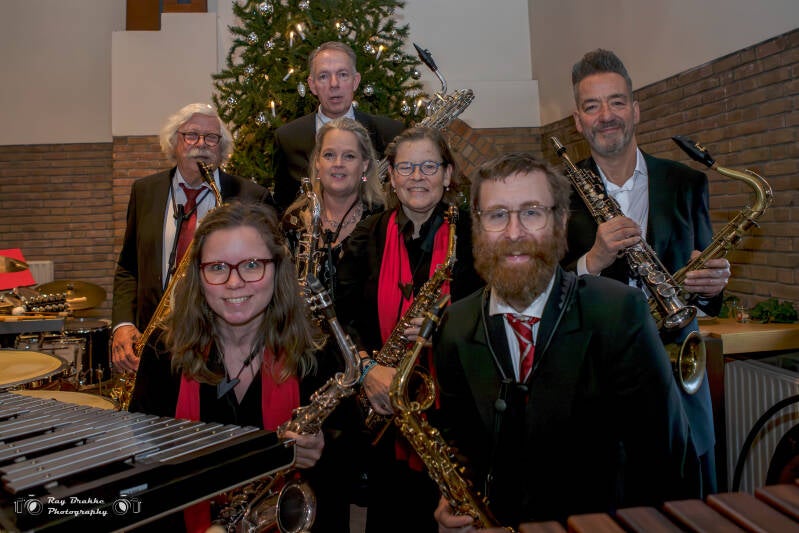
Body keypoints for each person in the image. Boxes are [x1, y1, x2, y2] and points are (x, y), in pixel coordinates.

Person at [433, 153, 700, 530]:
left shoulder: (618, 313)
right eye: (497, 215)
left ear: (560, 221)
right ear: (477, 228)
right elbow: (460, 443)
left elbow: (667, 461)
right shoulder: (455, 325)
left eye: (532, 212)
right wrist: (454, 495)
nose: (514, 233)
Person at [562, 49, 731, 495]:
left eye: (617, 102)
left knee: (688, 507)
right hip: (597, 380)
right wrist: (592, 259)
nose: (607, 116)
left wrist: (714, 281)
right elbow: (542, 291)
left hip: (678, 377)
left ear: (635, 110)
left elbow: (708, 292)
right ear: (577, 121)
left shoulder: (687, 183)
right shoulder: (556, 193)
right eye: (592, 106)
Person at [128, 201, 329, 532]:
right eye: (218, 267)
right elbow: (143, 471)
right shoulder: (162, 352)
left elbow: (344, 477)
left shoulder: (316, 351)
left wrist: (322, 449)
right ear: (199, 275)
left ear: (277, 268)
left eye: (251, 264)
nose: (234, 283)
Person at [335, 126, 484, 533]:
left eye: (429, 166)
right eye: (406, 167)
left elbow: (498, 311)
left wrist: (449, 325)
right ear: (393, 177)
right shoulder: (368, 234)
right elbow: (337, 318)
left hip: (459, 412)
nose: (417, 176)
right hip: (387, 409)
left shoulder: (474, 234)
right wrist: (367, 369)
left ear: (448, 175)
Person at [112, 103, 271, 374]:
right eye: (191, 135)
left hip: (226, 343)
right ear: (175, 143)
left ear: (222, 149)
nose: (202, 144)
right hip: (154, 343)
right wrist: (123, 325)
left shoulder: (251, 196)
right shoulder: (145, 191)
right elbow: (128, 268)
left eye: (211, 138)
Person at [272, 41, 404, 213]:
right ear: (312, 85)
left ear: (355, 81)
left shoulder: (390, 132)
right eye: (324, 76)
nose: (334, 84)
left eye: (342, 74)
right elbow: (283, 205)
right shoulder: (288, 138)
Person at [281, 116, 384, 300]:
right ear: (318, 163)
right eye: (329, 155)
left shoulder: (382, 220)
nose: (338, 164)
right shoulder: (294, 220)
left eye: (349, 156)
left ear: (365, 165)